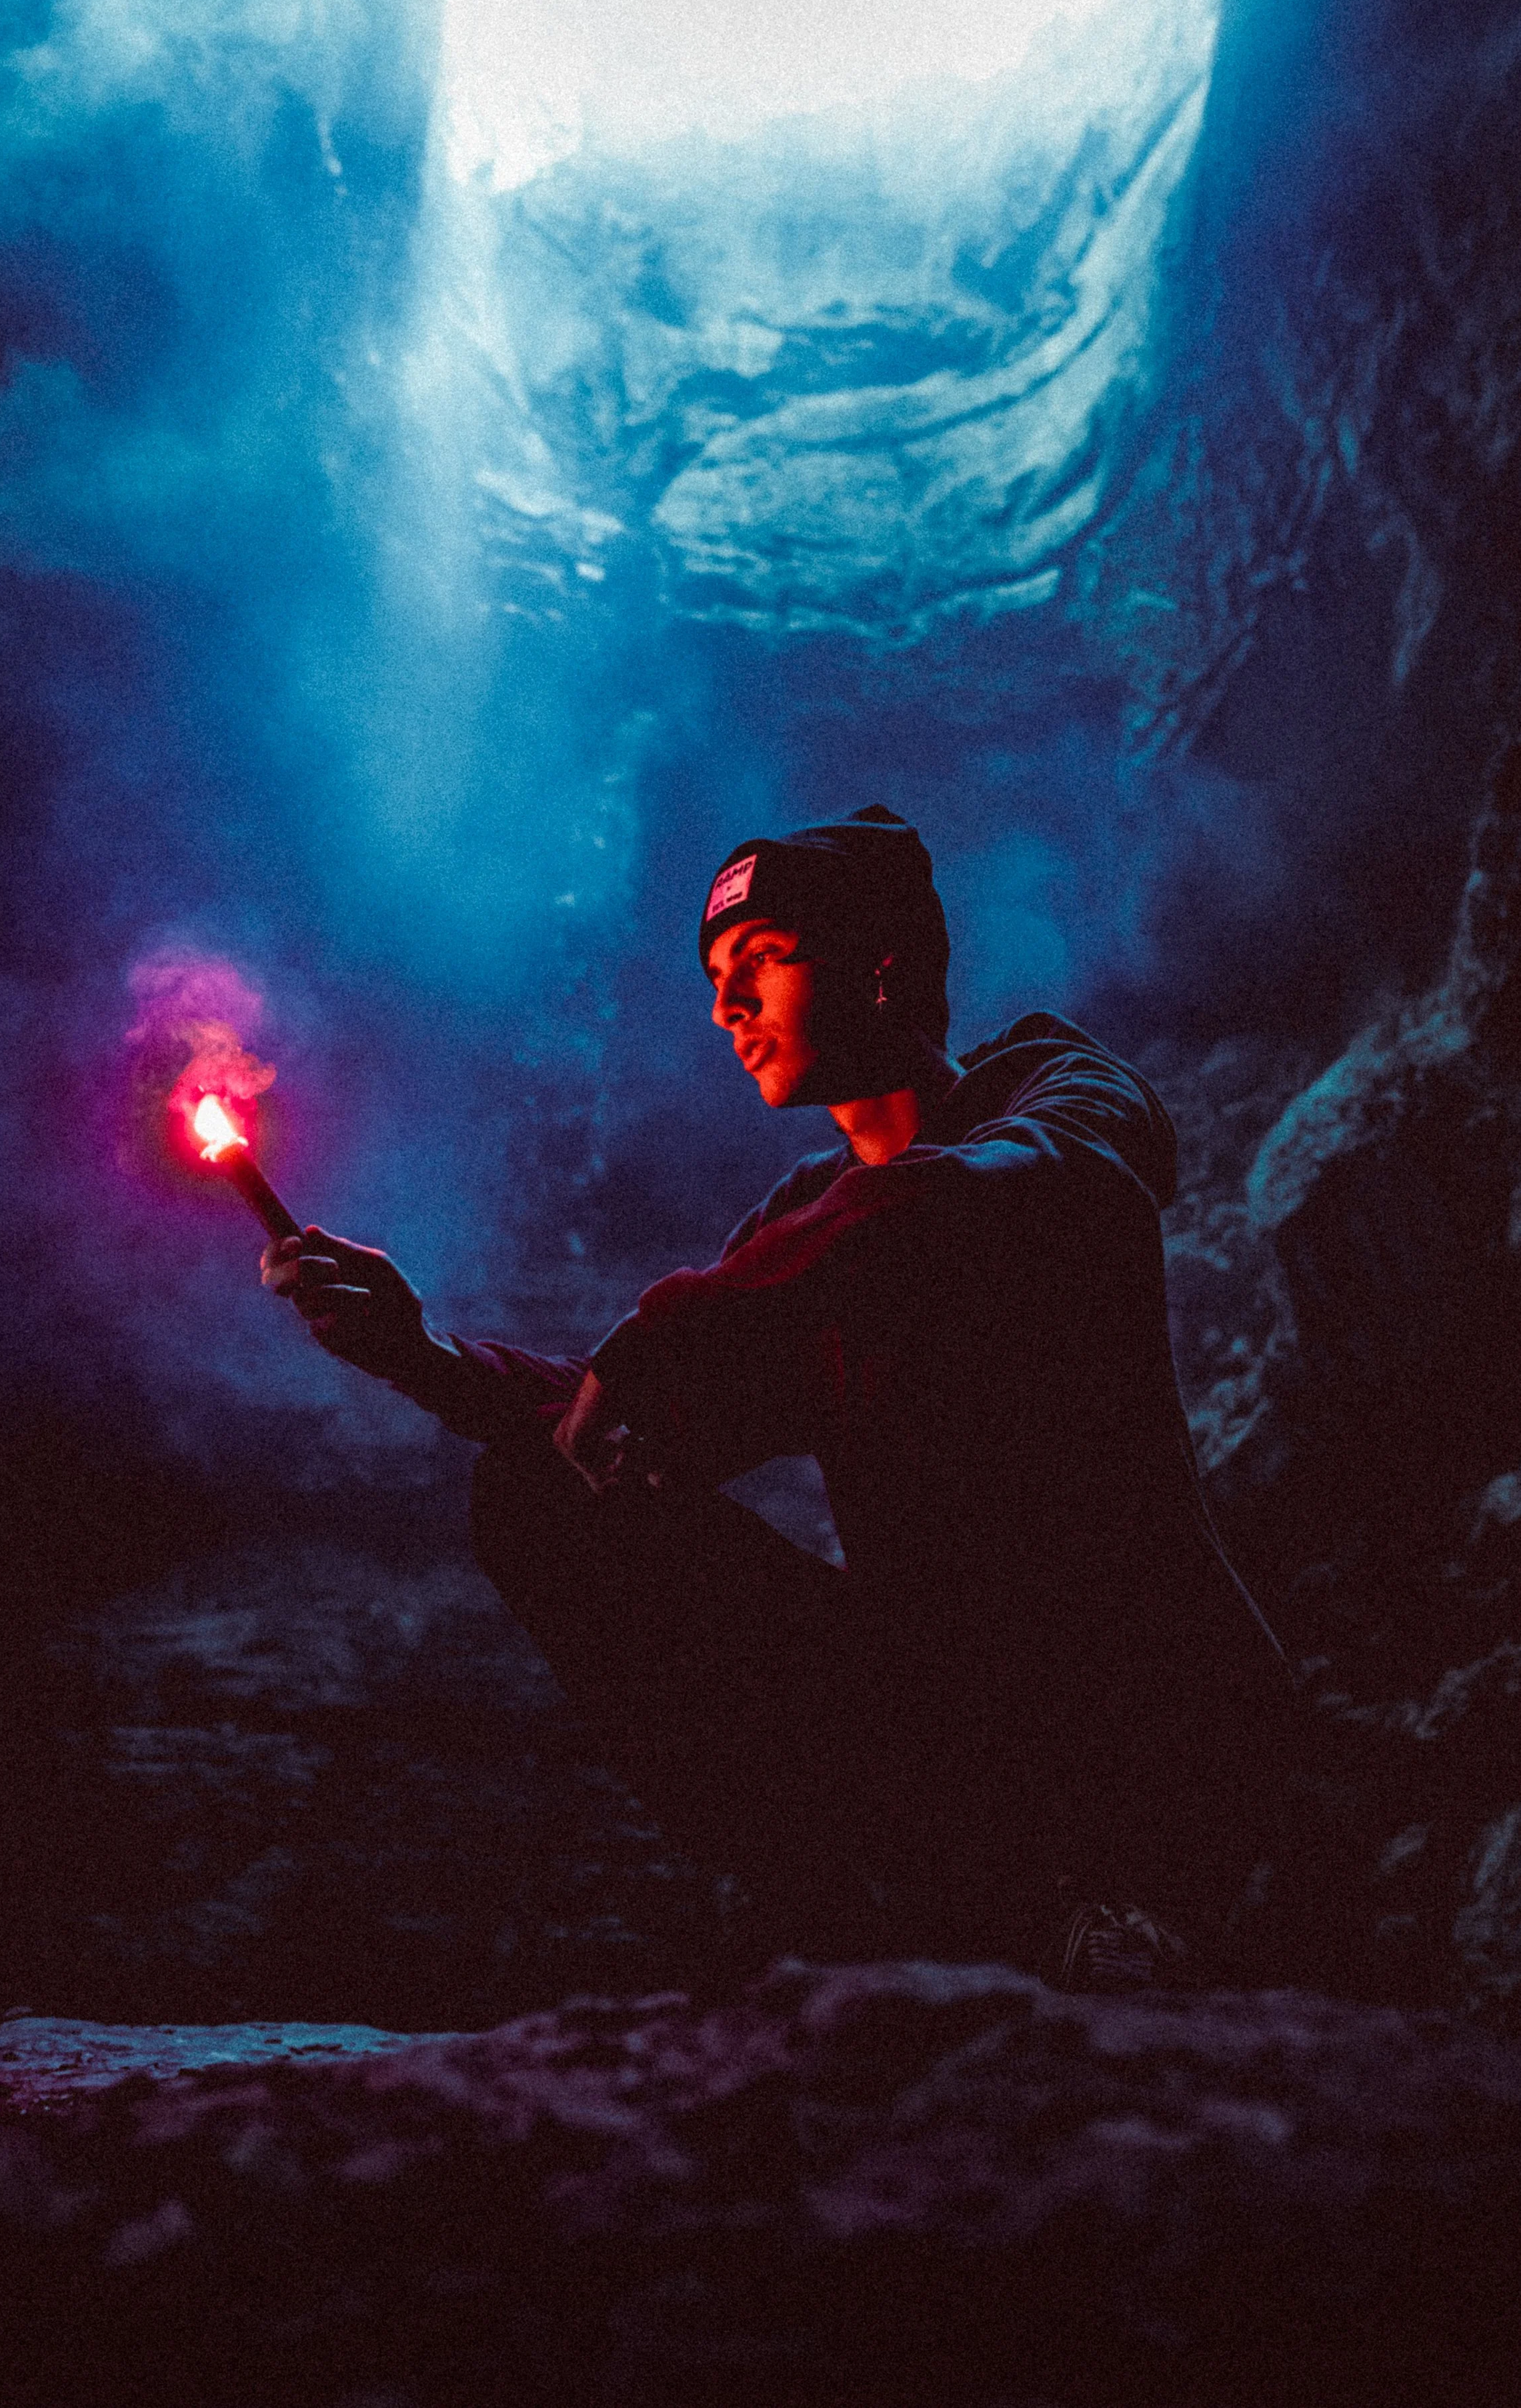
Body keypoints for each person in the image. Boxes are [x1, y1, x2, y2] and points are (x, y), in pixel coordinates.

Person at [264, 804, 1287, 1989]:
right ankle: (866, 1935)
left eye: (761, 960)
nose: (726, 1007)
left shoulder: (1061, 1096)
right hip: (955, 1723)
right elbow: (620, 1429)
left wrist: (665, 1332)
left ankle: (1113, 1908)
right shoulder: (796, 1227)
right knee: (542, 1499)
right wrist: (420, 1349)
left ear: (880, 966)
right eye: (714, 976)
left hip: (1152, 1722)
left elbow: (964, 1202)